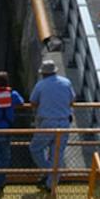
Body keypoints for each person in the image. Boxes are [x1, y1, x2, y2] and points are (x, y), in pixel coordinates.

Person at [29, 57, 74, 191]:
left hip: (47, 122)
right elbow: (72, 99)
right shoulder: (66, 82)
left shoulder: (41, 85)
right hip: (64, 122)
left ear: (43, 73)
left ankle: (49, 171)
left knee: (35, 148)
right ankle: (51, 184)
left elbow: (33, 101)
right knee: (57, 153)